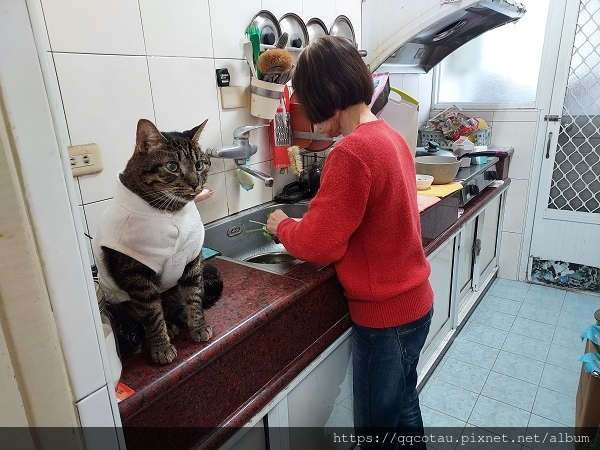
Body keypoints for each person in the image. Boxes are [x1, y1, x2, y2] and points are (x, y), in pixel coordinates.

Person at [266, 36, 434, 449]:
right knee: (403, 406)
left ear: (328, 95)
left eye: (312, 105)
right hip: (416, 303)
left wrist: (282, 227)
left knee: (374, 433)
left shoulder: (352, 152)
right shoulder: (388, 136)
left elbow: (320, 244)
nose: (313, 120)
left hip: (386, 318)